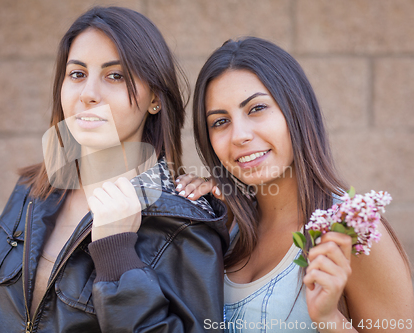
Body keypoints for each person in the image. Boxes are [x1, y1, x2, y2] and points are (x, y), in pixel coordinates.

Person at [0, 6, 229, 333]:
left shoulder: (183, 224)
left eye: (115, 75)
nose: (89, 94)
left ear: (155, 97)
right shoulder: (30, 193)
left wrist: (117, 257)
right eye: (77, 74)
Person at [176, 37, 414, 332]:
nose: (239, 135)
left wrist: (329, 320)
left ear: (296, 110)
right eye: (220, 122)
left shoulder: (350, 231)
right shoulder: (228, 228)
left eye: (256, 108)